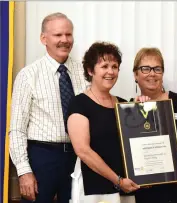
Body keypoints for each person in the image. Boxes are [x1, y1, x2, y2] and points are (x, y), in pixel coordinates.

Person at [9, 13, 88, 203]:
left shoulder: (84, 72)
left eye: (68, 35)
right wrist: (24, 171)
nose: (64, 40)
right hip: (42, 158)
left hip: (79, 157)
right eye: (58, 35)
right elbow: (17, 129)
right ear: (43, 38)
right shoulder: (28, 75)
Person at [67, 42, 140, 203]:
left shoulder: (123, 105)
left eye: (115, 66)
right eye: (104, 66)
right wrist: (118, 180)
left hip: (125, 186)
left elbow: (136, 142)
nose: (110, 71)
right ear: (90, 70)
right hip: (94, 188)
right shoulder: (79, 104)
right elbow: (83, 151)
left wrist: (144, 107)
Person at [132, 47, 177, 203]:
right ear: (135, 75)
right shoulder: (129, 110)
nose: (152, 73)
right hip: (148, 194)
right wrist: (136, 110)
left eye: (157, 69)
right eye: (145, 68)